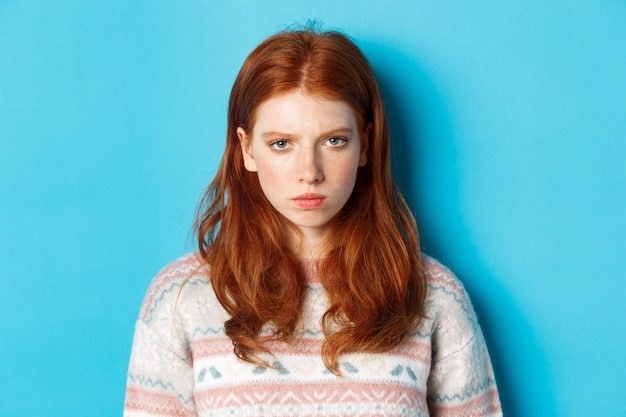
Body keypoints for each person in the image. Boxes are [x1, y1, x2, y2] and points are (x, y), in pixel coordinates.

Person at [123, 27, 502, 417]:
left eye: (333, 140)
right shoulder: (180, 299)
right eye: (282, 144)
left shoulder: (433, 295)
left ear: (365, 145)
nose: (310, 172)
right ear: (247, 149)